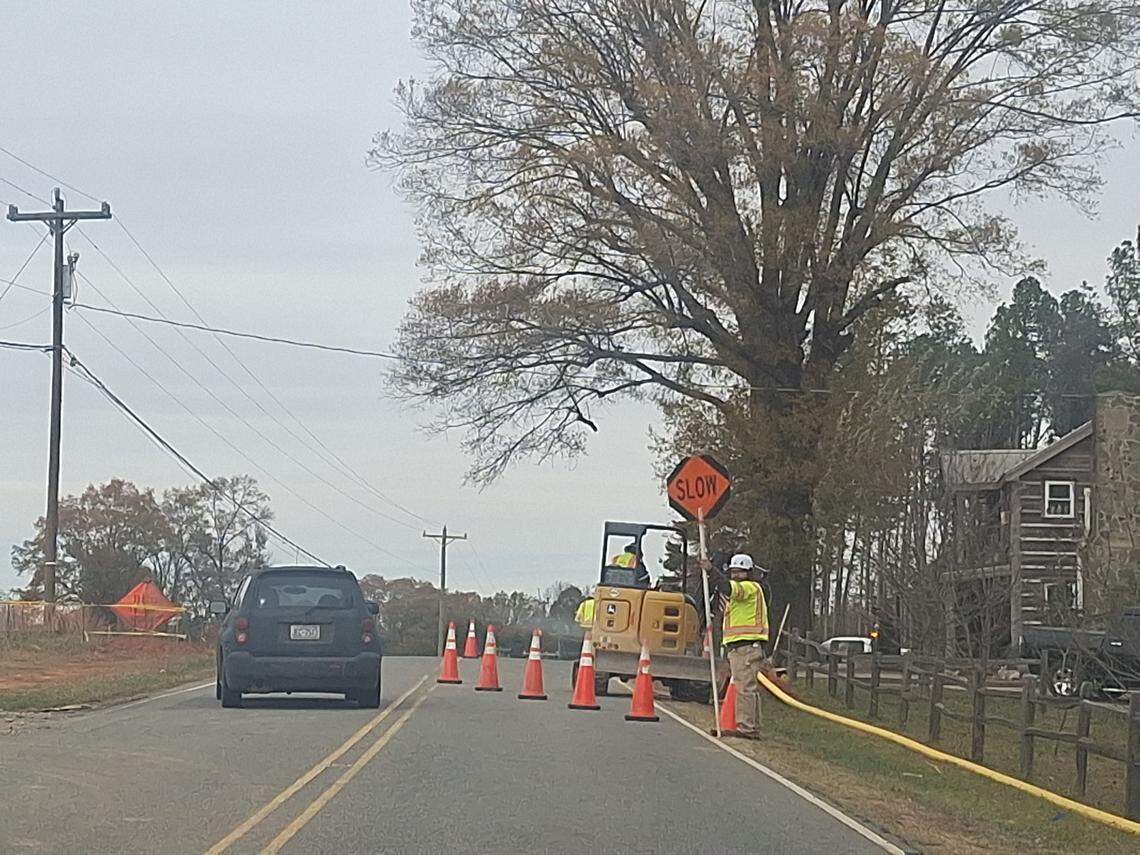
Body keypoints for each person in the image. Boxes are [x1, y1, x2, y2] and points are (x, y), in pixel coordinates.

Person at [718, 553, 769, 738]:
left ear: (748, 572)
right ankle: (751, 726)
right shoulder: (745, 590)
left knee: (745, 688)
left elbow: (726, 587)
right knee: (748, 687)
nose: (735, 575)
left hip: (746, 646)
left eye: (739, 571)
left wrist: (711, 570)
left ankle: (746, 727)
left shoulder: (748, 587)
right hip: (741, 645)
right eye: (733, 571)